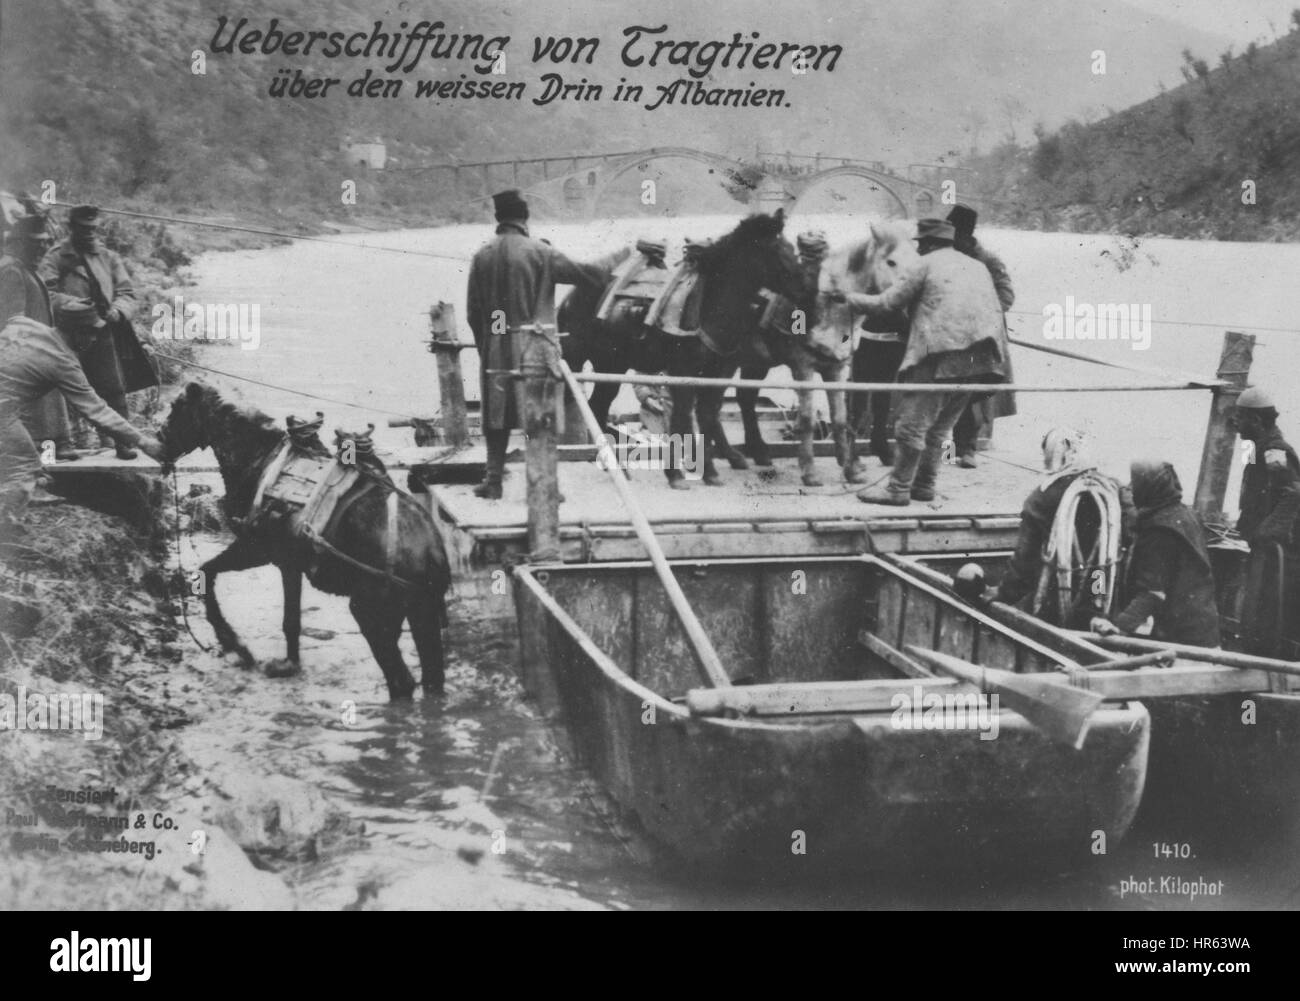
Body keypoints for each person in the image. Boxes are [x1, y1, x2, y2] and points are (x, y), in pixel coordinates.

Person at [832, 218, 1009, 506]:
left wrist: (851, 299)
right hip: (981, 360)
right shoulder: (976, 266)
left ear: (925, 244)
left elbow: (888, 303)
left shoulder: (923, 264)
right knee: (939, 429)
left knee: (911, 427)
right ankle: (924, 486)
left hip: (940, 356)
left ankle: (898, 489)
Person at [465, 190, 605, 499]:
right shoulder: (540, 252)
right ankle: (541, 487)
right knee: (539, 415)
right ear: (525, 219)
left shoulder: (482, 255)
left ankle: (494, 481)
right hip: (536, 345)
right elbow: (585, 274)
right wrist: (620, 259)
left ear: (498, 218)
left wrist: (489, 344)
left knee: (496, 415)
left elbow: (475, 313)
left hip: (496, 345)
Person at [0, 308, 165, 527]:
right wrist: (143, 441)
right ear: (75, 332)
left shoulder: (23, 324)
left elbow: (10, 321)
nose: (94, 340)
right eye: (91, 333)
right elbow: (96, 411)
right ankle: (9, 531)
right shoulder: (63, 362)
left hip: (8, 407)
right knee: (26, 468)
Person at [39, 204, 156, 459]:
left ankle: (122, 442)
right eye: (83, 228)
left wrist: (118, 310)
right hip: (65, 334)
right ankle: (62, 443)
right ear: (72, 228)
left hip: (102, 333)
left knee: (113, 389)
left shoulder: (108, 257)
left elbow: (127, 293)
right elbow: (45, 293)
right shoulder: (56, 257)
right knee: (59, 389)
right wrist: (73, 305)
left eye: (93, 228)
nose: (89, 233)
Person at [987, 427, 1132, 626]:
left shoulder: (1043, 497)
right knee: (1099, 579)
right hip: (1100, 592)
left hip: (1053, 602)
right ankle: (1097, 612)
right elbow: (1131, 535)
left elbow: (1024, 561)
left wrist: (1004, 594)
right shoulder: (1114, 490)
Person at [1090, 460, 1220, 648]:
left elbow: (1153, 593)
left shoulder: (1157, 530)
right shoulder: (1187, 514)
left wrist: (1118, 626)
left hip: (1182, 643)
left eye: (1135, 484)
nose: (1132, 489)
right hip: (1205, 630)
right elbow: (1102, 566)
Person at [0, 212, 77, 460]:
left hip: (37, 347)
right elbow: (13, 318)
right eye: (37, 243)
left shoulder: (25, 268)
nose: (43, 247)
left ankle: (55, 444)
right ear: (21, 242)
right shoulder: (11, 271)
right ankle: (45, 450)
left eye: (45, 242)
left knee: (48, 400)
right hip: (25, 351)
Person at [1230, 386, 1300, 656]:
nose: (1236, 425)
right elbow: (1251, 485)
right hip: (1262, 545)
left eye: (1241, 418)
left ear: (1256, 421)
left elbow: (1293, 492)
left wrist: (1269, 530)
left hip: (1281, 549)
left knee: (1275, 608)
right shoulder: (1252, 446)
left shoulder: (1274, 449)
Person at [947, 204, 1016, 468]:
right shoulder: (946, 257)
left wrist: (977, 314)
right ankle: (951, 449)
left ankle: (967, 449)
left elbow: (1006, 296)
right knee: (951, 392)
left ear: (965, 235)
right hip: (951, 336)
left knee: (972, 393)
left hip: (981, 341)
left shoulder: (988, 260)